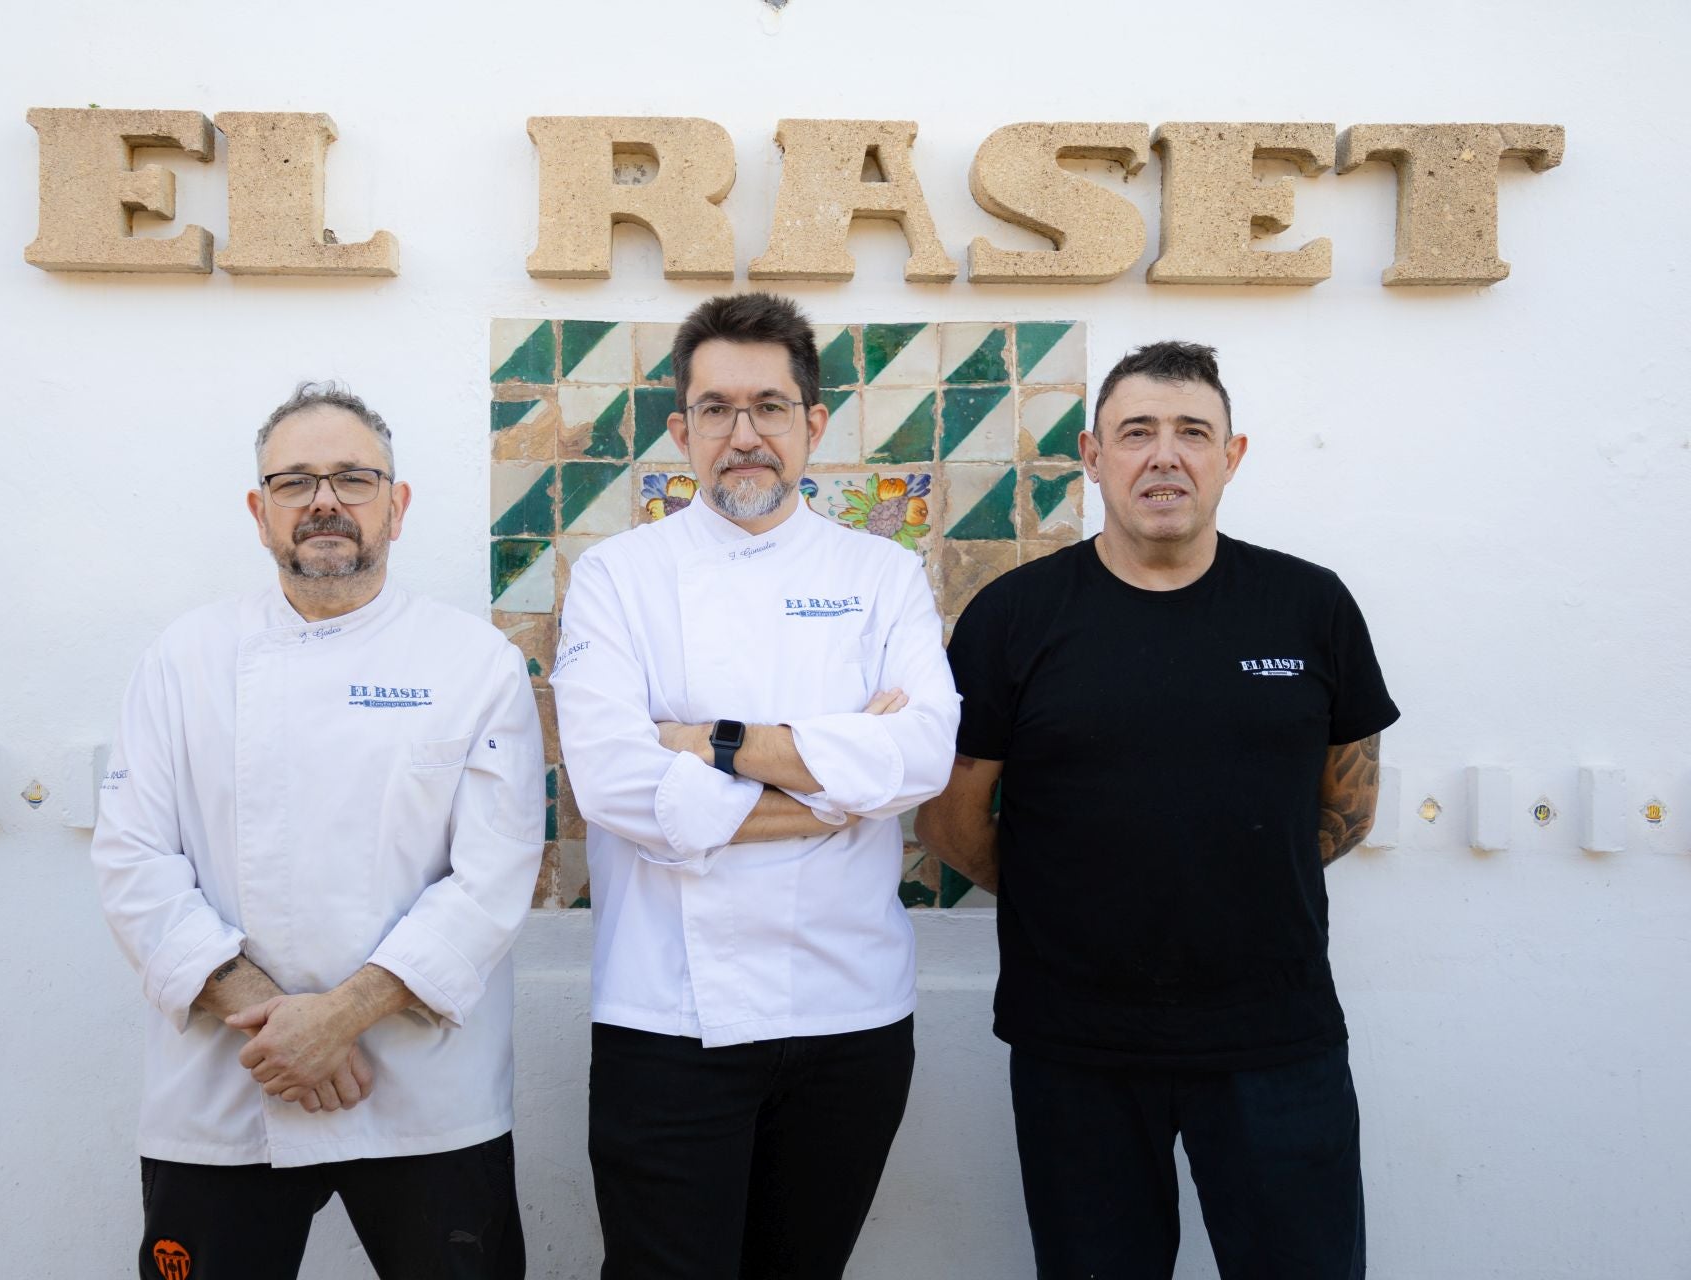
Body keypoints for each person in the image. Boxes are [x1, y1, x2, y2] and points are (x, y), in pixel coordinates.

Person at [916, 341, 1397, 1279]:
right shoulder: (1015, 617)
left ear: (1234, 454)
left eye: (1192, 433)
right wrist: (1073, 892)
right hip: (1077, 1044)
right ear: (1094, 457)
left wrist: (1232, 880)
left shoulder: (1310, 605)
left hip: (1276, 1037)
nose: (1164, 456)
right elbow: (949, 818)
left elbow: (1350, 800)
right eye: (1137, 432)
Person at [90, 382, 544, 1280]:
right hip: (231, 1083)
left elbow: (494, 873)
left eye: (352, 479)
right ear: (260, 513)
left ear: (397, 506)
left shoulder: (473, 663)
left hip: (419, 1084)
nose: (324, 501)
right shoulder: (182, 660)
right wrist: (278, 1026)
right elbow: (133, 859)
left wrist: (338, 1019)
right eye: (294, 482)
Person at [550, 293, 959, 1279]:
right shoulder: (617, 577)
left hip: (849, 1014)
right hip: (667, 1014)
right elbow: (613, 781)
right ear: (681, 428)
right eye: (718, 409)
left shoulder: (884, 573)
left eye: (771, 407)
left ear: (813, 426)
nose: (746, 435)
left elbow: (923, 755)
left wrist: (710, 742)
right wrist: (835, 787)